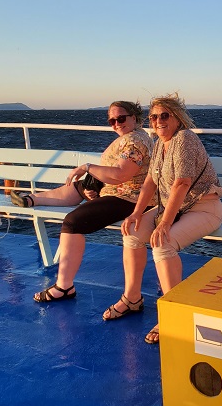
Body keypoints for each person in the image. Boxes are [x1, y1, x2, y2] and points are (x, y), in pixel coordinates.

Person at [102, 93, 222, 344]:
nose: (158, 121)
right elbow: (150, 181)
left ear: (177, 117)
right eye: (153, 117)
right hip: (174, 208)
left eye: (164, 116)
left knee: (163, 242)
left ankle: (172, 313)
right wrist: (136, 213)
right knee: (133, 232)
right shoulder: (159, 143)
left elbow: (182, 183)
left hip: (204, 208)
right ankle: (132, 298)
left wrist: (165, 224)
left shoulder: (184, 139)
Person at [10, 100, 154, 302]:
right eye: (112, 121)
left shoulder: (134, 142)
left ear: (134, 118)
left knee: (72, 222)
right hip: (116, 191)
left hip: (130, 198)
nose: (116, 124)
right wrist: (95, 182)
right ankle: (31, 199)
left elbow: (121, 174)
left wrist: (87, 167)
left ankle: (64, 287)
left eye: (121, 118)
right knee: (79, 188)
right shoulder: (135, 137)